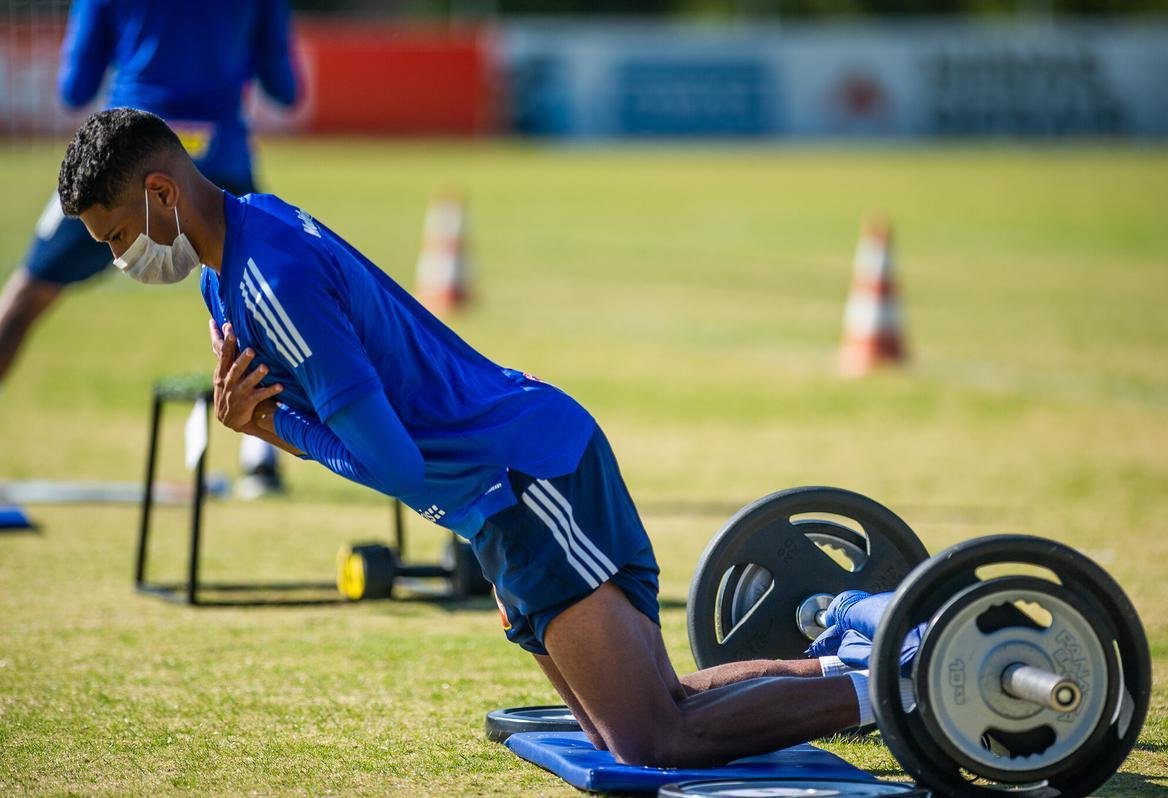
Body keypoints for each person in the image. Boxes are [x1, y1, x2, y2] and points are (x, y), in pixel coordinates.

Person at [57, 108, 914, 768]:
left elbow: (391, 461)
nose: (121, 259)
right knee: (656, 707)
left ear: (161, 193)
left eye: (118, 237)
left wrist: (276, 427)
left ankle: (897, 682)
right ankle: (852, 635)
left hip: (524, 476)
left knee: (651, 739)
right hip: (502, 489)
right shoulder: (233, 265)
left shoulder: (267, 276)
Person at [0, 0, 300, 499]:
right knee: (252, 300)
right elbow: (286, 88)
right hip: (219, 163)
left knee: (25, 297)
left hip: (123, 162)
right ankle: (264, 457)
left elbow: (74, 87)